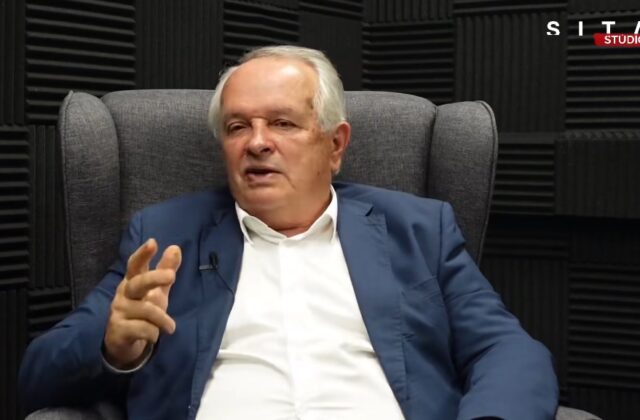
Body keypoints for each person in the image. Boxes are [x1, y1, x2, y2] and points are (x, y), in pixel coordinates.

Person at [19, 45, 558, 420]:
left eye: (282, 123)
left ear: (335, 145)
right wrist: (113, 346)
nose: (257, 142)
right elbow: (36, 377)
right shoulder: (165, 237)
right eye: (238, 126)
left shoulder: (419, 229)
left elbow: (509, 352)